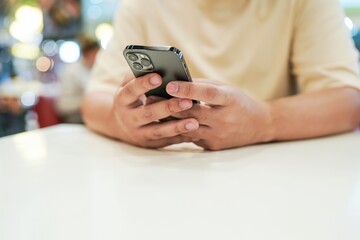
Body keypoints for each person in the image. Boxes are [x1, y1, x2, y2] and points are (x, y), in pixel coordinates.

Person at [82, 0, 360, 150]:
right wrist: (120, 120)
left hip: (268, 175)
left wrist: (264, 121)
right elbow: (95, 99)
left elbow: (349, 101)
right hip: (161, 182)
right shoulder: (142, 5)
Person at [56, 36, 100, 123]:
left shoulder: (92, 69)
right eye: (97, 54)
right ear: (88, 54)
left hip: (84, 110)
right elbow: (63, 104)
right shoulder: (72, 70)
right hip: (72, 114)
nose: (99, 58)